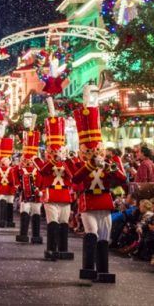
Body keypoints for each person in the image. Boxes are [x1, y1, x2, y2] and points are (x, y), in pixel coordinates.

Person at [72, 85, 126, 283]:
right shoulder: (80, 164)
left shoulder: (108, 164)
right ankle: (88, 268)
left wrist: (110, 167)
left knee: (104, 237)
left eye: (97, 151)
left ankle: (103, 269)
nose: (95, 154)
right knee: (91, 234)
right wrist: (89, 164)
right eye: (89, 151)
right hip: (88, 202)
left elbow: (122, 179)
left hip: (105, 202)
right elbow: (76, 179)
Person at [37, 99, 75, 261]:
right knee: (52, 223)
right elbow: (43, 172)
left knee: (64, 223)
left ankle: (63, 249)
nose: (56, 152)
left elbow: (73, 175)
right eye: (53, 150)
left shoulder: (67, 162)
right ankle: (51, 249)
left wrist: (65, 160)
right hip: (51, 195)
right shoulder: (46, 162)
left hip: (65, 196)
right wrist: (53, 160)